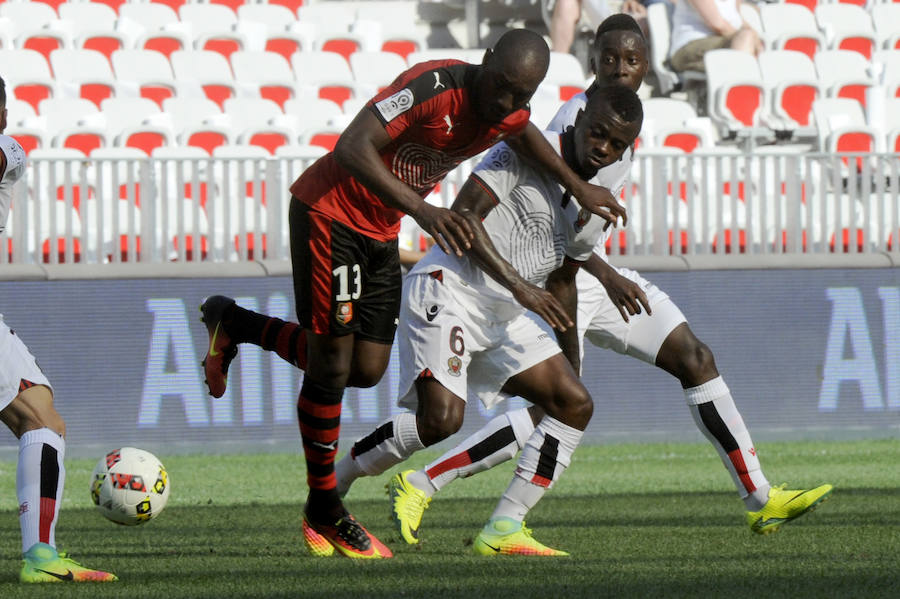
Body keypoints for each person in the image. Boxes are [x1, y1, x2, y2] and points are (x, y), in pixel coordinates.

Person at [378, 14, 832, 548]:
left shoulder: (620, 123)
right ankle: (441, 490)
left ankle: (760, 499)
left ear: (646, 67)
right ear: (593, 61)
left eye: (632, 60)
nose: (620, 68)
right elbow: (549, 219)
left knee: (693, 358)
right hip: (555, 279)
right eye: (610, 58)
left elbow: (580, 224)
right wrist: (601, 272)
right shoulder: (576, 120)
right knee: (562, 404)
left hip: (589, 274)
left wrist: (606, 269)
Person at [198, 29, 628, 559]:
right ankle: (324, 508)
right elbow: (350, 146)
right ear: (485, 60)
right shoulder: (433, 86)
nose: (506, 104)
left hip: (380, 231)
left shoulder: (507, 108)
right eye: (501, 88)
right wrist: (425, 212)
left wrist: (578, 186)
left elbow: (525, 133)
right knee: (333, 368)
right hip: (329, 215)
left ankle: (234, 322)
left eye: (521, 96)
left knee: (363, 370)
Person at [334, 83, 644, 556]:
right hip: (450, 288)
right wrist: (521, 286)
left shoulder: (599, 198)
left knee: (573, 403)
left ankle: (503, 528)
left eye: (616, 144)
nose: (603, 147)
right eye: (597, 133)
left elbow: (564, 276)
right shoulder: (519, 152)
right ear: (578, 121)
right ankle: (335, 485)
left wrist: (570, 359)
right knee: (440, 421)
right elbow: (463, 218)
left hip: (505, 313)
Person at [0, 76, 117, 584]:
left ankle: (43, 556)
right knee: (41, 421)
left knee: (40, 413)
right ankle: (41, 559)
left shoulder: (9, 152)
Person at [668, 0, 762, 74]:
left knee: (752, 40)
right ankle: (740, 89)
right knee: (746, 38)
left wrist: (756, 40)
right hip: (690, 47)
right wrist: (747, 37)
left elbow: (739, 20)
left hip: (725, 43)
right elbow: (718, 26)